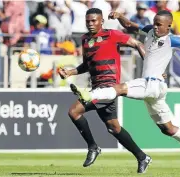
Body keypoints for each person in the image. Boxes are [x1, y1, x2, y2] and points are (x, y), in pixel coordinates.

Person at [71, 10, 180, 174]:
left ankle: (90, 95)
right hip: (154, 90)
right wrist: (120, 16)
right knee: (167, 129)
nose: (156, 27)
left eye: (159, 25)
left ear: (169, 26)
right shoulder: (150, 31)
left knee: (119, 88)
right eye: (155, 24)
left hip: (152, 85)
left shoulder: (171, 40)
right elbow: (130, 25)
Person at [58, 8, 151, 174]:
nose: (91, 24)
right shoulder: (86, 39)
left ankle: (93, 147)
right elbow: (87, 65)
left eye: (94, 21)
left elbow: (137, 43)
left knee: (74, 111)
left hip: (109, 88)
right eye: (88, 21)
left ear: (102, 21)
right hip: (96, 87)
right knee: (113, 127)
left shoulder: (112, 35)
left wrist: (150, 70)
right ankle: (142, 157)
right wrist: (70, 72)